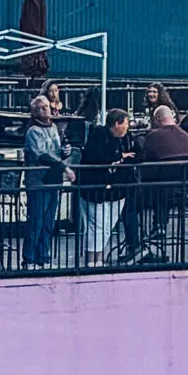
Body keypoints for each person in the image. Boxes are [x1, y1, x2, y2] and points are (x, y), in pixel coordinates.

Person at [77, 106, 133, 264]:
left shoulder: (126, 138)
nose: (128, 127)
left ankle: (97, 257)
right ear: (117, 124)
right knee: (97, 225)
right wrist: (118, 157)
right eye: (126, 123)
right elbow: (95, 156)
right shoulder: (99, 136)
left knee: (106, 225)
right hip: (96, 188)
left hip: (115, 190)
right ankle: (94, 258)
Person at [137, 103, 188, 257]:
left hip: (160, 185)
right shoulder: (185, 136)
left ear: (157, 119)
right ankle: (160, 225)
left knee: (143, 186)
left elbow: (146, 161)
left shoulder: (153, 136)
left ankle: (140, 236)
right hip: (187, 185)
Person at [22, 94, 67, 269]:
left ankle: (44, 256)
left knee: (49, 221)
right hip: (38, 180)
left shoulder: (54, 127)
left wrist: (64, 152)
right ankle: (30, 258)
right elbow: (41, 154)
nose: (45, 110)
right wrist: (63, 166)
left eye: (46, 106)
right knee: (36, 220)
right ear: (34, 112)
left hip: (52, 179)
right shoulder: (33, 131)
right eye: (41, 107)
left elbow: (56, 150)